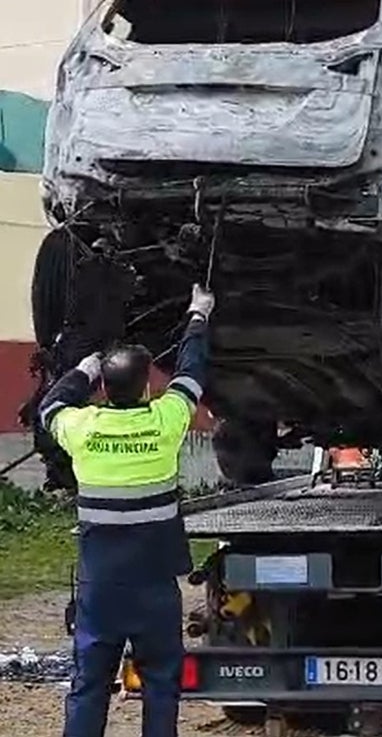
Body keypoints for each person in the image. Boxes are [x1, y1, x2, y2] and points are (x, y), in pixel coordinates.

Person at [38, 283, 215, 737]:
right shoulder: (164, 421)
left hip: (101, 590)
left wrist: (83, 369)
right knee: (161, 685)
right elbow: (191, 377)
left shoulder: (81, 427)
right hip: (154, 586)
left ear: (104, 388)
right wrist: (198, 315)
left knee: (89, 685)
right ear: (147, 387)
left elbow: (50, 407)